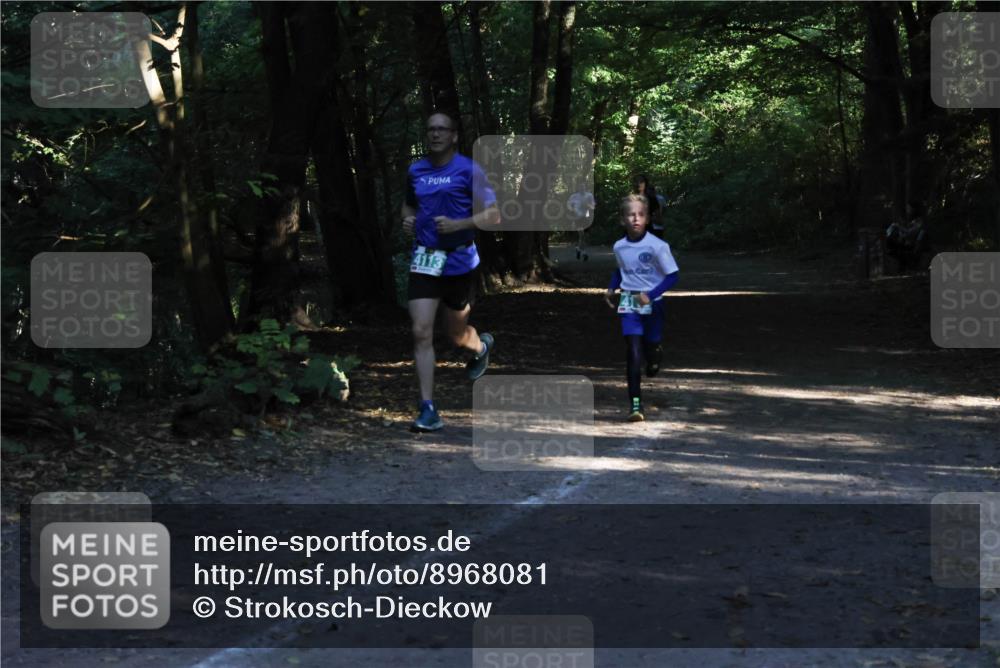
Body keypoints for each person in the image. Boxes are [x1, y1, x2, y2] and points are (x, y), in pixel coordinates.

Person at [401, 112, 500, 432]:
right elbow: (409, 205)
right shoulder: (416, 170)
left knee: (456, 335)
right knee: (421, 331)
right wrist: (407, 220)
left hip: (459, 262)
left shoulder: (469, 170)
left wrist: (460, 224)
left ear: (454, 136)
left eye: (442, 129)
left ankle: (480, 347)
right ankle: (428, 408)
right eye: (430, 129)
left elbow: (494, 215)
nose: (435, 134)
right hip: (425, 260)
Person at [604, 194, 679, 422]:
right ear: (622, 219)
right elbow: (620, 270)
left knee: (650, 346)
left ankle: (655, 354)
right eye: (631, 215)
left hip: (654, 304)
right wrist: (611, 288)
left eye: (640, 215)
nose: (636, 219)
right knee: (633, 352)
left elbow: (673, 276)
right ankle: (636, 405)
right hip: (629, 303)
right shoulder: (619, 246)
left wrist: (650, 295)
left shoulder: (658, 246)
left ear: (647, 219)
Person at [567, 183, 596, 261]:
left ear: (585, 187)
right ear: (578, 188)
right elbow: (568, 205)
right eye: (580, 187)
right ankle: (584, 253)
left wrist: (588, 205)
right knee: (581, 235)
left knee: (584, 237)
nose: (582, 188)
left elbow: (593, 207)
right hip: (577, 218)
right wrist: (572, 210)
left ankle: (578, 249)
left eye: (583, 187)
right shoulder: (574, 196)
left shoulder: (589, 195)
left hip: (586, 218)